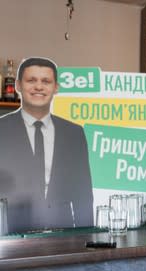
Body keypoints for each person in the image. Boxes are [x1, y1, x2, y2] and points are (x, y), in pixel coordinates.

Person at [0, 57, 93, 232]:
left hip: (64, 237)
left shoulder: (74, 133)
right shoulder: (1, 130)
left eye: (46, 81)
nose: (39, 87)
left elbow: (84, 194)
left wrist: (87, 240)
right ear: (18, 85)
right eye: (31, 80)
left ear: (55, 87)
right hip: (9, 239)